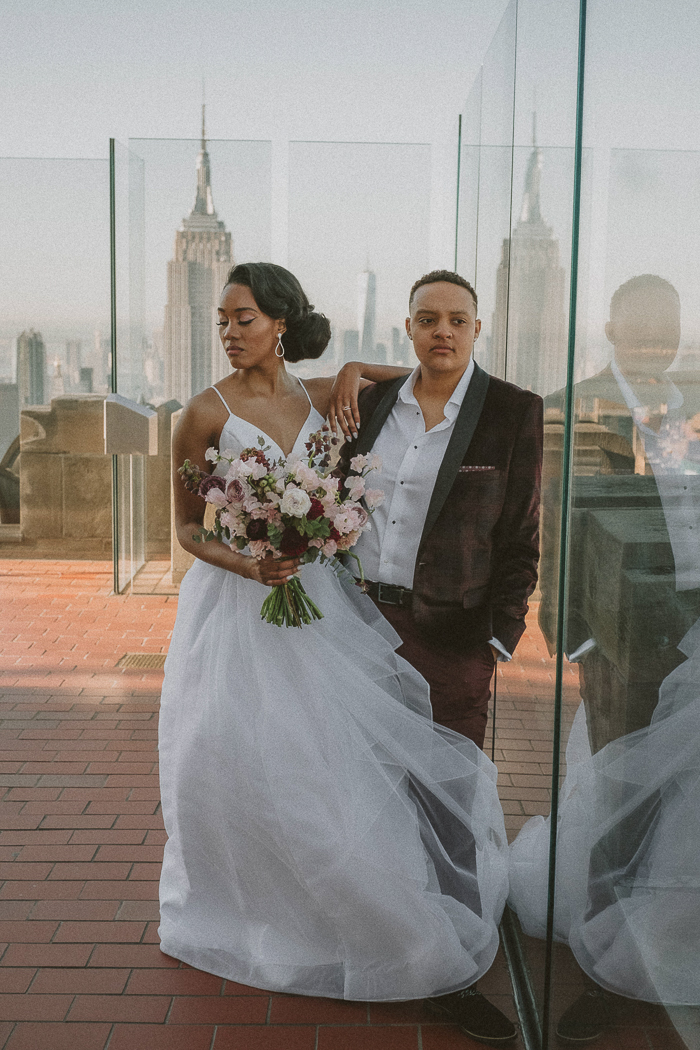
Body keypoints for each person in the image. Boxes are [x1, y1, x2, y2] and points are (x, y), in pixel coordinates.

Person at [159, 262, 512, 1043]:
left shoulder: (321, 397)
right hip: (241, 608)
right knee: (245, 755)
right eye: (222, 318)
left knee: (335, 759)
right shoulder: (200, 415)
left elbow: (420, 370)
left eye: (244, 317)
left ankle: (369, 903)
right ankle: (261, 903)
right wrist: (251, 562)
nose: (229, 331)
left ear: (281, 324)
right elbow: (184, 531)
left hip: (323, 603)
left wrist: (352, 368)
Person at [335, 269, 543, 1034]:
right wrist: (357, 371)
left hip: (454, 637)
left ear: (478, 329)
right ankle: (385, 936)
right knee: (369, 787)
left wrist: (498, 636)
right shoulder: (371, 406)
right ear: (409, 328)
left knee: (449, 801)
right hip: (359, 625)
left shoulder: (514, 412)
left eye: (458, 319)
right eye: (427, 319)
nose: (443, 331)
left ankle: (453, 963)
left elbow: (521, 539)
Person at [509, 275, 700, 1040]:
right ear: (614, 329)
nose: (658, 340)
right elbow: (554, 526)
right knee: (621, 783)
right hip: (623, 624)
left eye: (670, 326)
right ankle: (601, 952)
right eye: (644, 326)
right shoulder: (575, 402)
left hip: (696, 619)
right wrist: (570, 628)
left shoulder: (696, 396)